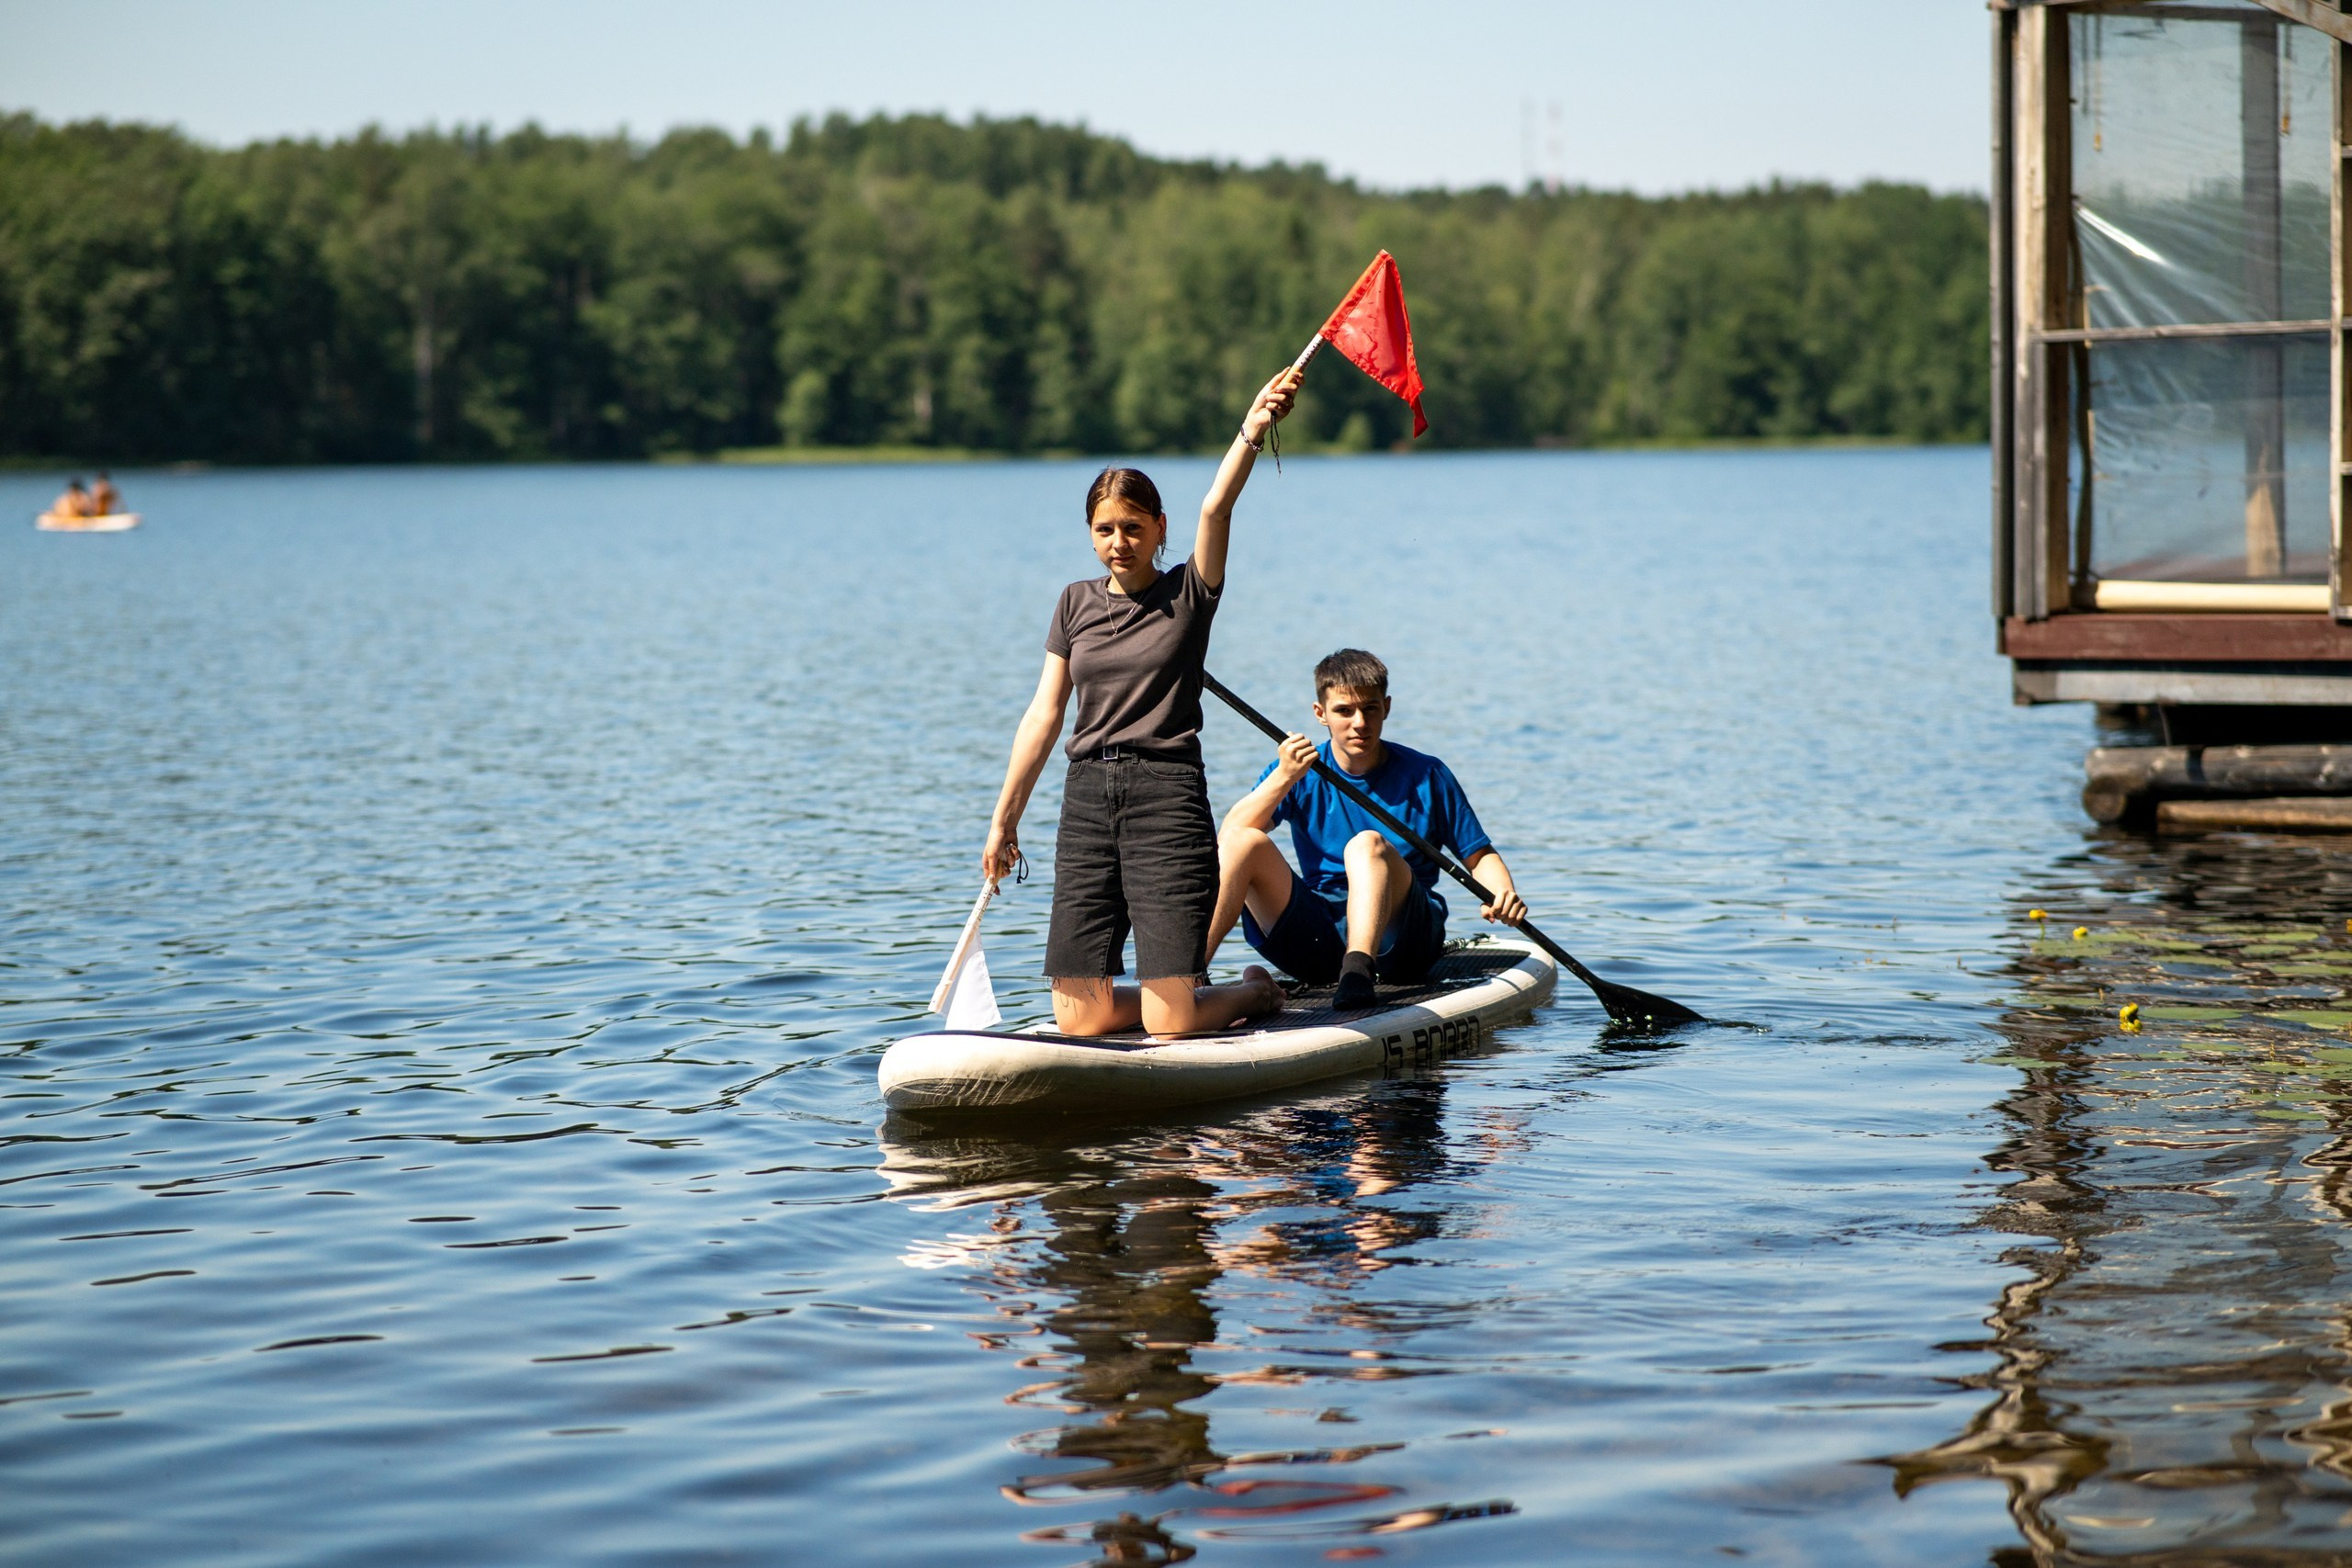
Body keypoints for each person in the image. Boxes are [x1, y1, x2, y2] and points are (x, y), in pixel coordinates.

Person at [982, 367, 1303, 1038]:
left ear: (1160, 528)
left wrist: (1252, 427)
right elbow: (1043, 716)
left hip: (1167, 798)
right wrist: (1004, 819)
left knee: (1169, 1024)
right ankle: (1176, 997)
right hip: (1088, 800)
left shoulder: (1189, 595)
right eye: (1104, 529)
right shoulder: (1074, 602)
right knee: (1078, 1019)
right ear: (1090, 533)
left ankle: (1254, 993)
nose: (1118, 542)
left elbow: (1216, 508)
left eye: (1132, 527)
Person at [1207, 648, 1528, 1011]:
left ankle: (1358, 970)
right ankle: (1189, 973)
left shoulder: (1427, 774)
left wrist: (1501, 892)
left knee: (1367, 845)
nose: (1359, 722)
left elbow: (1479, 855)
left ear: (1386, 708)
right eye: (1344, 711)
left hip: (1404, 943)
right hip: (1320, 941)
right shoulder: (1294, 771)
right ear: (1320, 714)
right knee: (1244, 839)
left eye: (1370, 709)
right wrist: (1284, 776)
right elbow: (1229, 841)